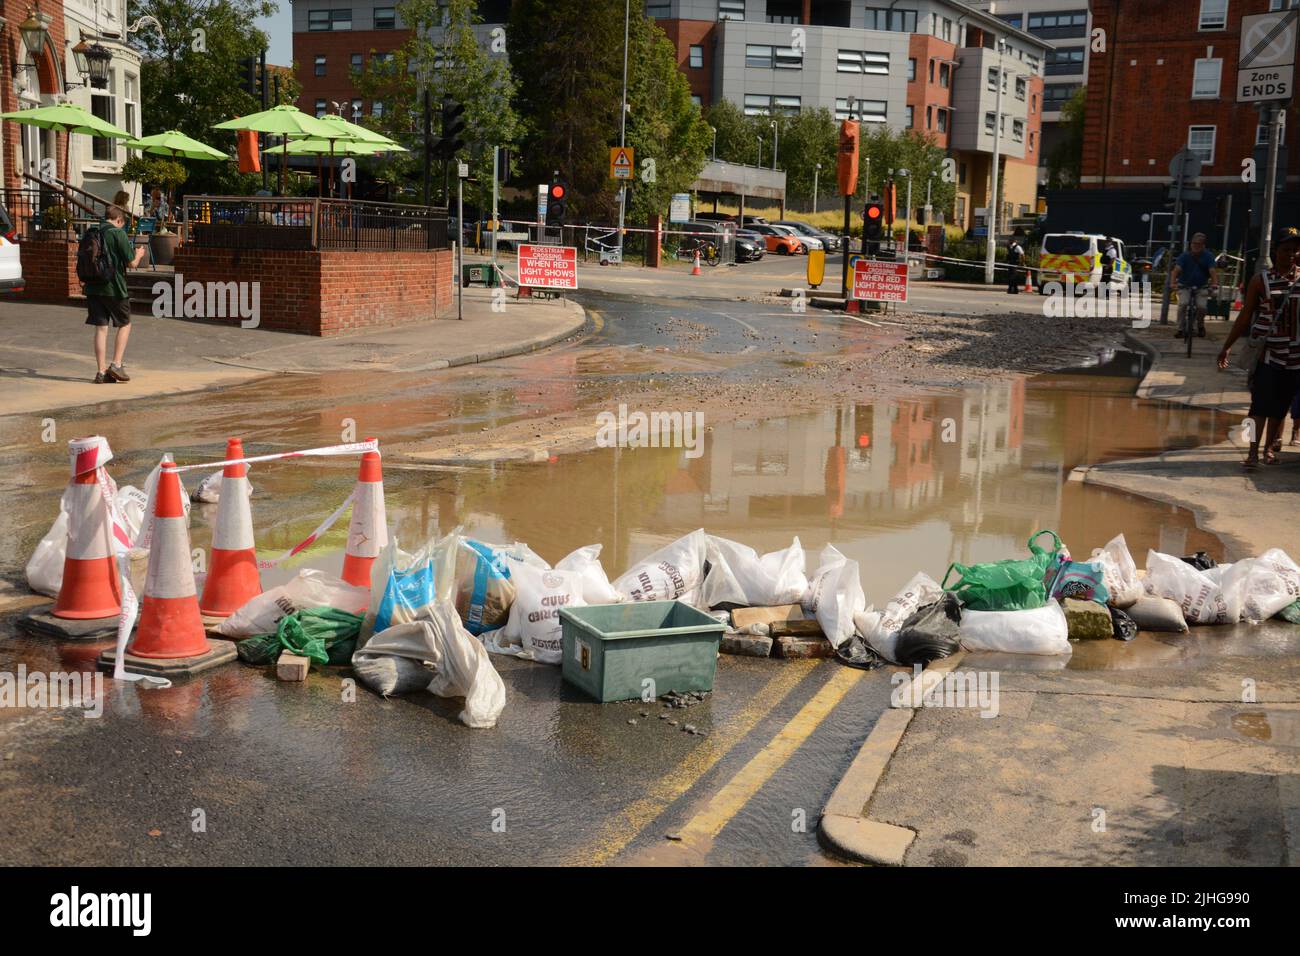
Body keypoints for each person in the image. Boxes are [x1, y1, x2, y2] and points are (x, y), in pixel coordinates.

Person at [1218, 228, 1300, 468]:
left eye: (1295, 250)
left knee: (1280, 409)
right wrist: (1227, 347)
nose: (1292, 255)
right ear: (1275, 251)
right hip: (1267, 356)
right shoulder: (1260, 280)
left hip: (1295, 358)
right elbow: (1244, 317)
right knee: (1258, 408)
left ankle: (1268, 451)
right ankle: (1252, 452)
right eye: (1286, 250)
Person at [84, 205, 147, 384]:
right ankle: (117, 364)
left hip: (93, 286)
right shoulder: (117, 234)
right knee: (125, 323)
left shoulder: (93, 232)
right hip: (114, 287)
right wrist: (139, 254)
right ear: (119, 220)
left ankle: (101, 372)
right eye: (122, 224)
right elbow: (132, 264)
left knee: (101, 329)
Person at [1172, 232, 1218, 339]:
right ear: (1190, 244)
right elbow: (1176, 270)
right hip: (1185, 286)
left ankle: (1200, 325)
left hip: (1201, 286)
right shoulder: (1185, 256)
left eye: (1199, 244)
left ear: (1203, 246)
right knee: (1183, 304)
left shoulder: (1208, 256)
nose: (1196, 246)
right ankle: (1180, 329)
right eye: (1194, 243)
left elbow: (1212, 271)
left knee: (1202, 307)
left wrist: (1214, 283)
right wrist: (1173, 283)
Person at [1006, 229, 1026, 294]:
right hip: (1010, 264)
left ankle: (1011, 289)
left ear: (1012, 241)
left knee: (1013, 277)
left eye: (1009, 240)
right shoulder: (1009, 247)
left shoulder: (1017, 247)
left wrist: (1022, 263)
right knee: (1010, 277)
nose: (1008, 241)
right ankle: (1015, 290)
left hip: (1014, 264)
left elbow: (1022, 255)